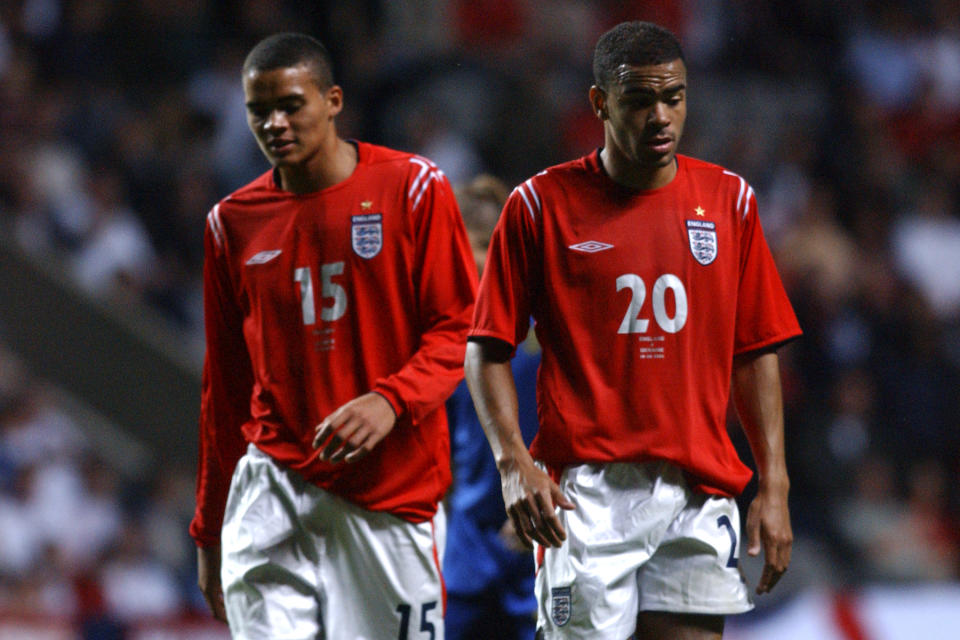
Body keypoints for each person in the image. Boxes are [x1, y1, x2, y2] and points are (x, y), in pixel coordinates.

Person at [464, 21, 802, 640]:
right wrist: (514, 461)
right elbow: (486, 349)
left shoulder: (729, 202)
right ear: (600, 103)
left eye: (673, 97)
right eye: (640, 100)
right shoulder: (541, 205)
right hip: (588, 491)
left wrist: (773, 483)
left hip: (698, 488)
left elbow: (754, 351)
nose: (661, 116)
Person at [189, 32, 478, 639]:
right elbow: (225, 390)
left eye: (291, 104)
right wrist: (210, 528)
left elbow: (459, 330)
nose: (274, 123)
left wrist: (391, 400)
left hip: (390, 489)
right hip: (275, 482)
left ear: (333, 100)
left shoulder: (414, 188)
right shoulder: (231, 224)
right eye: (258, 110)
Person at [443, 174, 540, 640]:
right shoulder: (439, 344)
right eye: (464, 248)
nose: (473, 261)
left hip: (541, 536)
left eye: (483, 245)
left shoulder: (545, 336)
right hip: (466, 550)